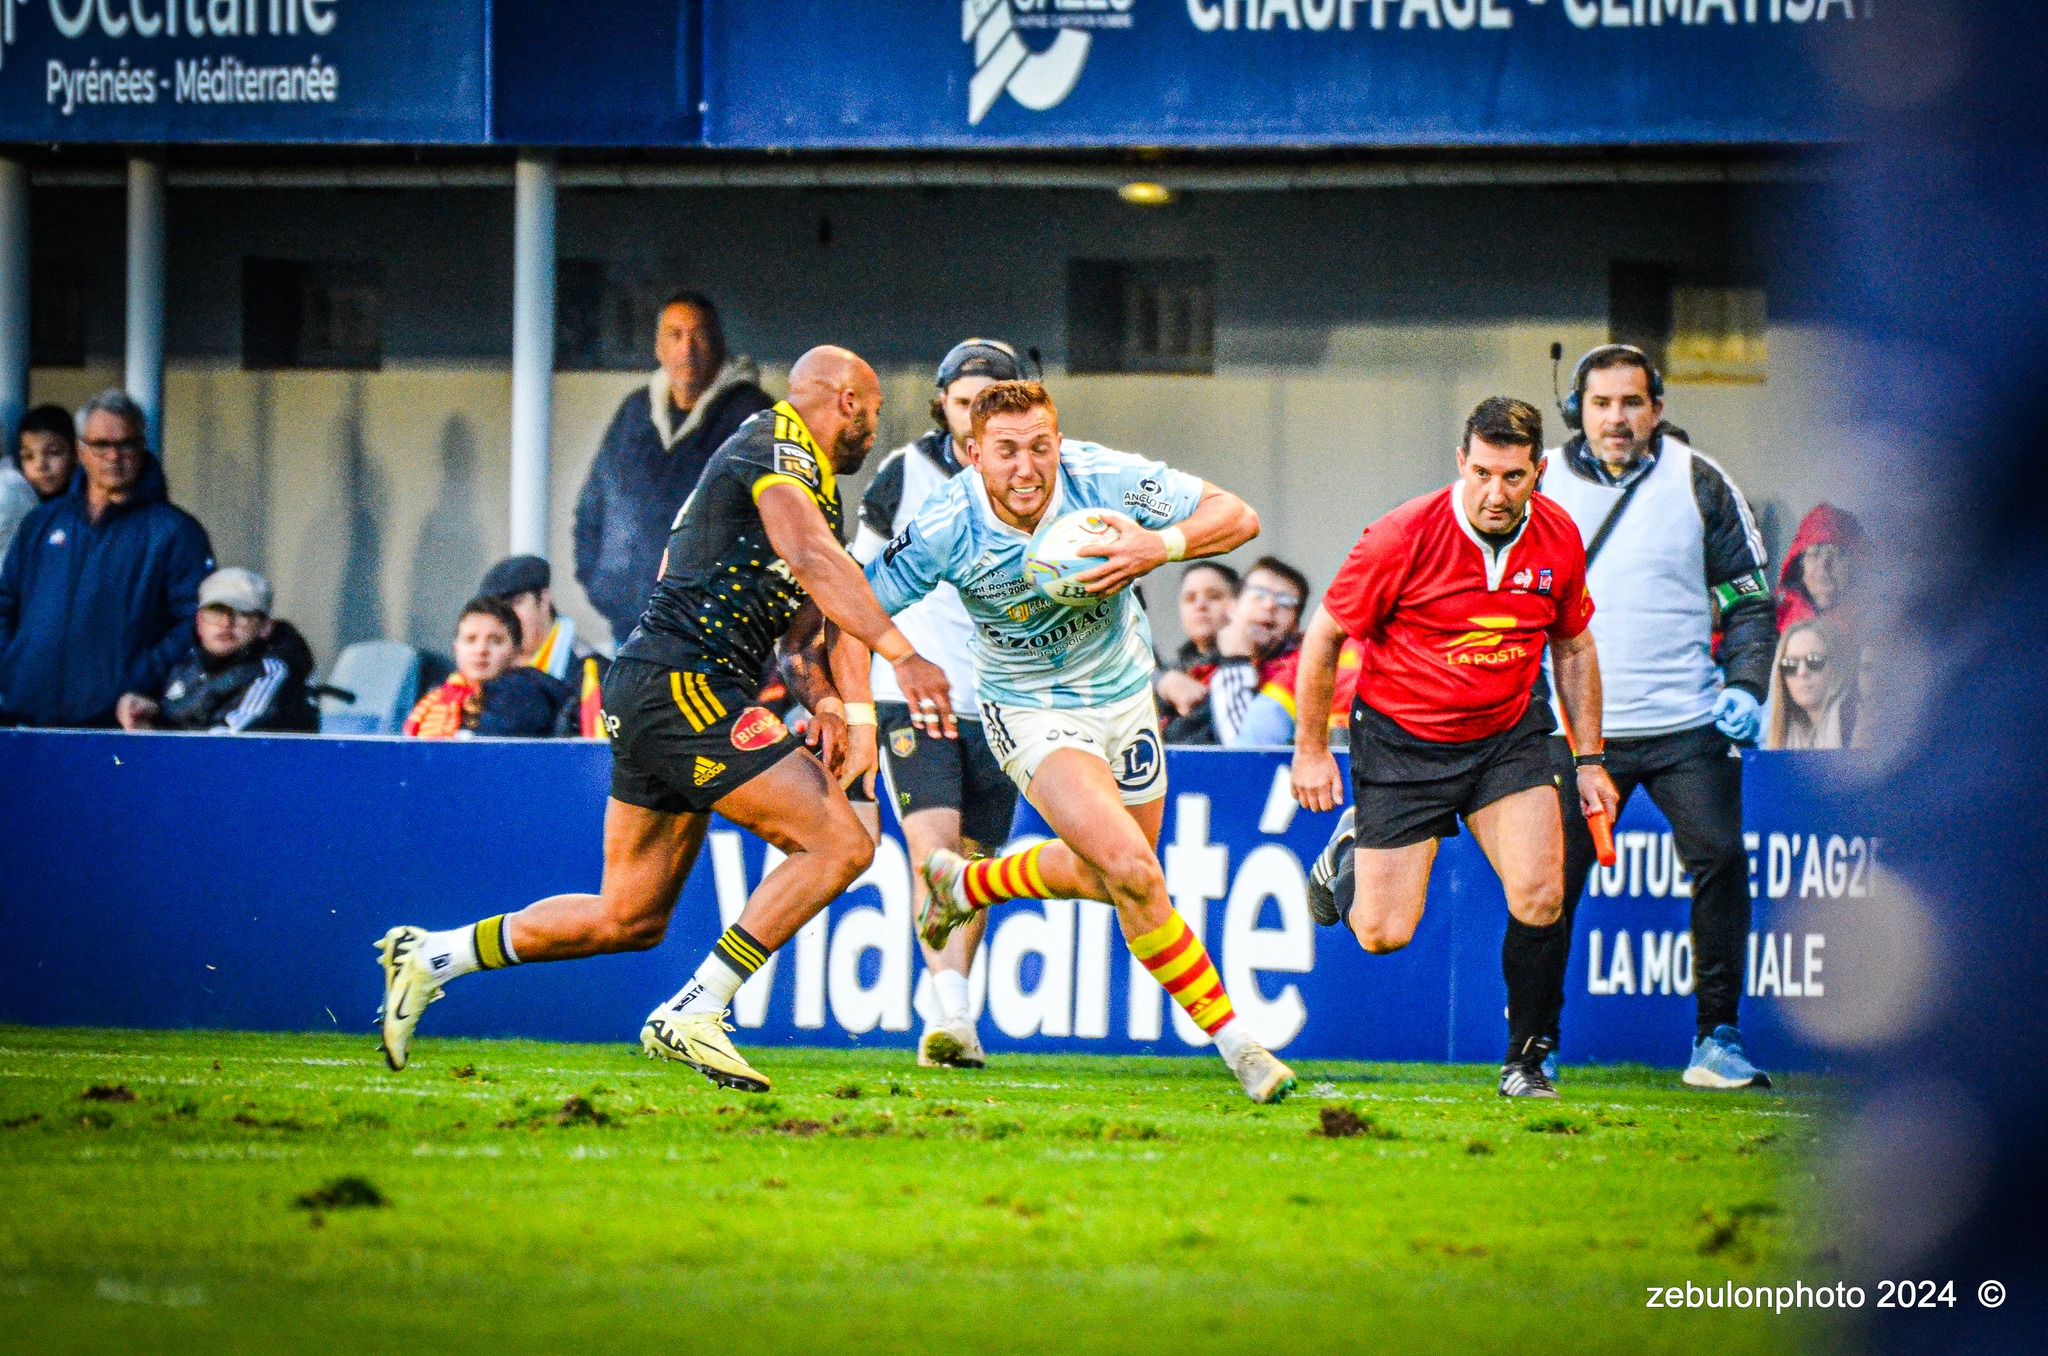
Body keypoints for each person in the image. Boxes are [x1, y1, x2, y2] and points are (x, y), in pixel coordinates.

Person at [373, 346, 957, 1094]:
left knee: (629, 915)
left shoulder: (808, 486)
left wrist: (839, 708)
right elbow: (813, 559)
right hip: (686, 686)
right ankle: (697, 1009)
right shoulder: (774, 444)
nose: (873, 434)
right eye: (873, 416)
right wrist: (903, 655)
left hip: (656, 688)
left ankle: (432, 957)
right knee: (840, 843)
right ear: (845, 400)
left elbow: (807, 636)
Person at [867, 378, 1298, 1104]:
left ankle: (964, 882)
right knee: (1132, 867)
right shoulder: (947, 522)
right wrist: (860, 700)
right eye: (1006, 452)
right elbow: (857, 601)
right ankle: (1241, 1047)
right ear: (975, 455)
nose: (1027, 467)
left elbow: (1239, 516)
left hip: (1126, 701)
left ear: (1059, 443)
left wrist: (1157, 545)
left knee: (1118, 879)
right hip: (1031, 712)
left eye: (1040, 446)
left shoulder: (1103, 479)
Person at [1290, 396, 1619, 1101]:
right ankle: (1351, 847)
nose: (1495, 494)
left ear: (1538, 474)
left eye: (1514, 478)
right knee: (1382, 934)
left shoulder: (1558, 538)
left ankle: (1525, 1062)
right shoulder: (1400, 536)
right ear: (1461, 464)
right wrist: (1311, 750)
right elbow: (1323, 638)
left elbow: (1574, 644)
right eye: (1483, 474)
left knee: (1540, 893)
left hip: (1508, 735)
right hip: (1403, 743)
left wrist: (1589, 760)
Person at [1528, 345, 1779, 1091]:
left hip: (1687, 723)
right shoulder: (1534, 480)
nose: (1617, 417)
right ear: (1578, 410)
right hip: (1572, 731)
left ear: (1657, 411)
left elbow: (1750, 599)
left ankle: (1718, 1040)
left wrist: (1746, 686)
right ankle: (1535, 1045)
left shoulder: (1701, 481)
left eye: (1632, 403)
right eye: (1602, 403)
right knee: (1548, 887)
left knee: (1722, 863)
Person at [848, 339, 1027, 1069]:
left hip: (1007, 701)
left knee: (978, 862)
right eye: (965, 402)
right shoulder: (906, 474)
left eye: (995, 400)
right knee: (937, 856)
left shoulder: (1045, 474)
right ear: (943, 405)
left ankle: (955, 1006)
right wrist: (854, 700)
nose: (978, 415)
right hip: (912, 697)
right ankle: (951, 1015)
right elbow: (853, 589)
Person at [0, 391, 213, 728]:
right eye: (101, 445)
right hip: (26, 718)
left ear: (142, 447)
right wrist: (13, 667)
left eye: (126, 444)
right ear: (81, 450)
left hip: (117, 725)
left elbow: (195, 623)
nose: (114, 456)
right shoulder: (41, 522)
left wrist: (140, 677)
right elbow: (4, 602)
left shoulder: (175, 532)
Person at [574, 293, 775, 644]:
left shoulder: (753, 417)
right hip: (631, 625)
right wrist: (604, 586)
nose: (687, 349)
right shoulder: (635, 412)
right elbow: (594, 503)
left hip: (714, 631)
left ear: (720, 344)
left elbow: (777, 522)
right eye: (675, 334)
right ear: (658, 347)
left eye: (699, 335)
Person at [115, 567, 317, 734]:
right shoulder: (186, 666)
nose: (225, 624)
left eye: (241, 614)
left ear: (265, 627)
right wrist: (149, 716)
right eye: (215, 611)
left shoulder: (271, 673)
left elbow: (224, 745)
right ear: (199, 622)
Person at [403, 597, 577, 739]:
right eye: (470, 639)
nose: (481, 650)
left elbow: (484, 753)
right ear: (456, 647)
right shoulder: (443, 695)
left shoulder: (523, 692)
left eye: (496, 641)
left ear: (517, 651)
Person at [478, 554, 608, 736]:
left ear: (545, 599)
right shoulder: (482, 673)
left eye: (515, 603)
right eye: (496, 610)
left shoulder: (593, 673)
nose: (506, 618)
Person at [1154, 561, 1238, 742]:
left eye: (1213, 596)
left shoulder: (1253, 665)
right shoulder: (1168, 671)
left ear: (1237, 604)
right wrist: (1160, 683)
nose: (1200, 605)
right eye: (1190, 598)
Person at [1765, 619, 1856, 750]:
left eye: (1814, 661)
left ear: (1838, 667)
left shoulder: (1857, 721)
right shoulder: (1786, 732)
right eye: (1790, 664)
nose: (1802, 672)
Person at [1776, 502, 1863, 637]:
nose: (1823, 566)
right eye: (1814, 554)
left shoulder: (1874, 626)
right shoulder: (1774, 623)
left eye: (1836, 554)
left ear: (1854, 565)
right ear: (1800, 566)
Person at [0, 405, 75, 553]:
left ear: (76, 454)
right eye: (28, 457)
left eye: (53, 453)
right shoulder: (20, 501)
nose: (40, 466)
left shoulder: (84, 508)